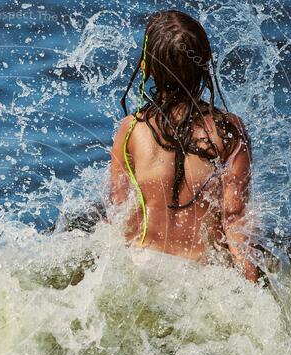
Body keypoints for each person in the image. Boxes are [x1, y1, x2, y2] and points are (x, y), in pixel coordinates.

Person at [109, 10, 258, 282]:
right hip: (201, 274)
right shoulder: (228, 132)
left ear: (147, 67)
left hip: (141, 266)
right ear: (205, 64)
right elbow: (234, 216)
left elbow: (119, 209)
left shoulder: (130, 129)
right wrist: (252, 281)